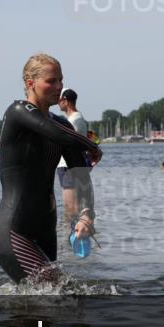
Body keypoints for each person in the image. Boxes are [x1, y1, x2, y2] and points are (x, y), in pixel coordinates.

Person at [0, 54, 101, 284]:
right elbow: (51, 131)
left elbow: (80, 174)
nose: (59, 87)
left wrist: (87, 215)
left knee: (52, 300)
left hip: (45, 229)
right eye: (52, 81)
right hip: (14, 230)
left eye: (61, 80)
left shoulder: (62, 125)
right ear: (30, 83)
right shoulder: (17, 113)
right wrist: (90, 143)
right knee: (60, 293)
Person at [56, 87, 91, 225]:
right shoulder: (75, 118)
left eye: (59, 100)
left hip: (68, 166)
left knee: (70, 208)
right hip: (71, 165)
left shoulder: (74, 121)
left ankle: (70, 238)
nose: (58, 103)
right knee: (73, 207)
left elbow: (68, 143)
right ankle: (72, 235)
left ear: (66, 100)